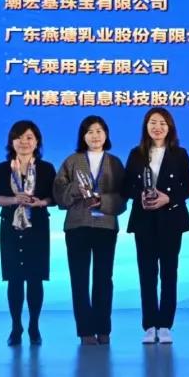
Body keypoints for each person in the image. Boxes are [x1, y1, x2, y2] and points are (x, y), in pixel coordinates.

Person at [122, 107, 189, 345]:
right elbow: (126, 186)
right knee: (147, 273)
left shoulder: (180, 154)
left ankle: (165, 325)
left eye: (163, 123)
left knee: (169, 273)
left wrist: (169, 198)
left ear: (170, 127)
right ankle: (150, 324)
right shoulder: (136, 154)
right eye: (153, 122)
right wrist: (140, 195)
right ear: (146, 126)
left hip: (171, 219)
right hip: (144, 219)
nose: (158, 127)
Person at [54, 115, 126, 345]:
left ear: (106, 135)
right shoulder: (72, 161)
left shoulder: (115, 162)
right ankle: (85, 331)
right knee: (79, 278)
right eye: (90, 131)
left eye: (99, 131)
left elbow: (123, 197)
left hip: (106, 226)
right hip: (77, 225)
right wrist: (77, 188)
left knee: (104, 278)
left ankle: (103, 328)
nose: (95, 136)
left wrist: (103, 201)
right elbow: (59, 195)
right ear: (83, 136)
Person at [0, 120, 55, 347]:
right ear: (11, 142)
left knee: (35, 278)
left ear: (37, 142)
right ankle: (16, 327)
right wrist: (14, 199)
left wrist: (40, 202)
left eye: (29, 137)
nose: (24, 142)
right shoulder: (2, 168)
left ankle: (34, 326)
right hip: (11, 227)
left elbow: (54, 198)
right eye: (18, 137)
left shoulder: (46, 168)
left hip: (37, 227)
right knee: (14, 279)